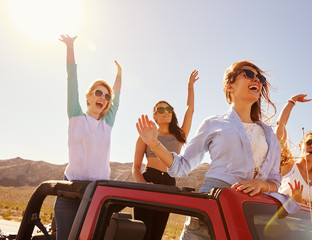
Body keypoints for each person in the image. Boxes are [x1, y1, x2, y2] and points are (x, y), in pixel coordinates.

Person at [136, 61, 282, 239]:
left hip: (251, 214)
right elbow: (182, 166)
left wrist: (262, 185)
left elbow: (275, 181)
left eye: (260, 78)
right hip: (210, 209)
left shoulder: (269, 135)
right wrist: (154, 143)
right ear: (230, 86)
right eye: (249, 75)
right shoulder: (214, 124)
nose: (257, 80)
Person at [54, 34, 122, 240]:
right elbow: (71, 79)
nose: (103, 97)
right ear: (89, 96)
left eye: (107, 96)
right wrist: (70, 46)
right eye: (99, 93)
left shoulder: (107, 124)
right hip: (70, 189)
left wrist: (119, 73)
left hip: (97, 193)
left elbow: (118, 96)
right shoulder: (76, 115)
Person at [132, 70, 199, 240]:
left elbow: (190, 110)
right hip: (149, 179)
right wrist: (144, 185)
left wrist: (190, 86)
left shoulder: (179, 135)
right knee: (141, 233)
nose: (166, 111)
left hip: (169, 183)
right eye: (160, 109)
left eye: (168, 108)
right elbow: (136, 168)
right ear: (154, 115)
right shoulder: (145, 136)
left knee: (157, 233)